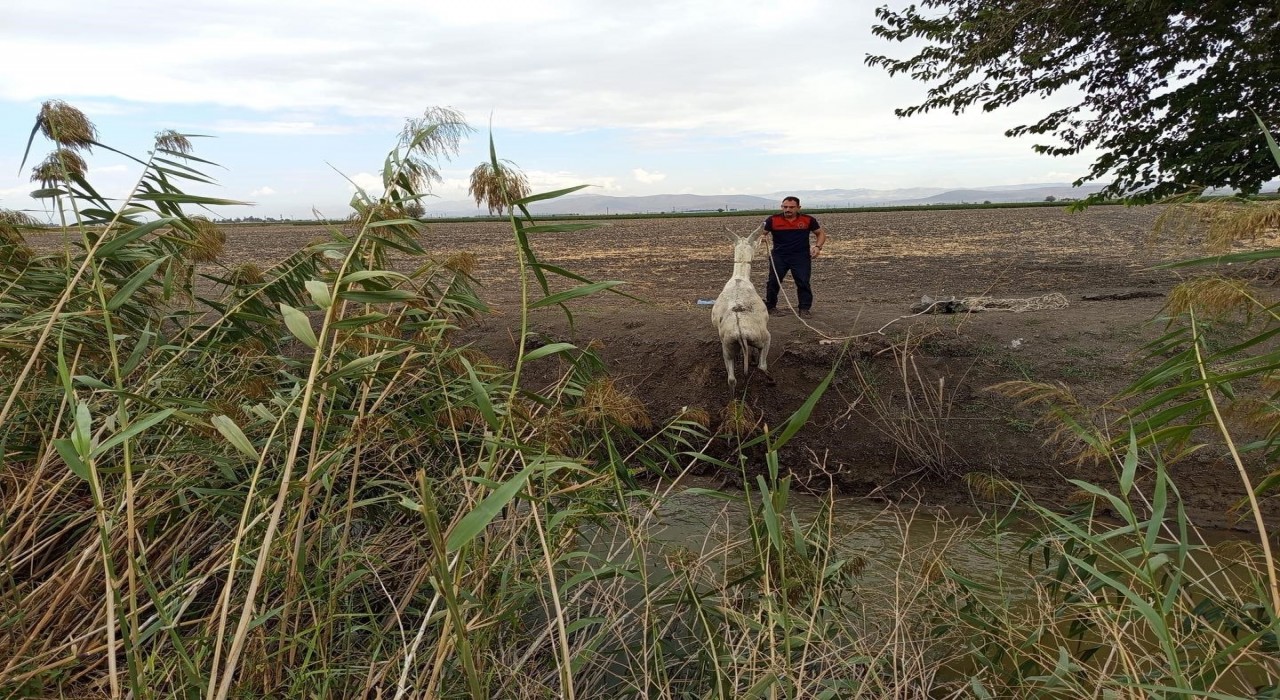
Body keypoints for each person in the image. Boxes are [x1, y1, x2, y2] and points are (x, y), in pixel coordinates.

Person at [761, 196, 827, 318]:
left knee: (803, 282)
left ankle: (804, 308)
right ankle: (771, 307)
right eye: (785, 207)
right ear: (782, 207)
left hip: (801, 257)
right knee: (773, 282)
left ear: (798, 208)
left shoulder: (808, 220)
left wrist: (818, 247)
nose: (788, 209)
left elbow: (820, 233)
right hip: (779, 256)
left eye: (791, 207)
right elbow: (761, 233)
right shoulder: (773, 220)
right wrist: (762, 238)